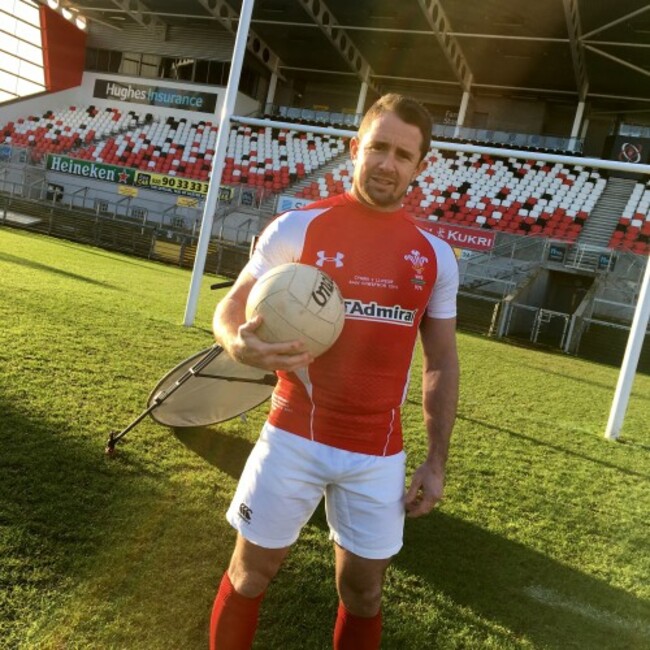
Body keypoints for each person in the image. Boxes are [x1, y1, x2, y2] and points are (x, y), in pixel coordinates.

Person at [210, 93, 460, 649]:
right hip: (293, 435)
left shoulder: (434, 256)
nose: (387, 164)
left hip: (378, 452)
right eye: (377, 147)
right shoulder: (297, 229)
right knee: (250, 574)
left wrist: (436, 461)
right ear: (355, 149)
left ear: (420, 167)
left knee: (364, 593)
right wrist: (237, 343)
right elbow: (231, 307)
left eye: (403, 154)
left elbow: (441, 360)